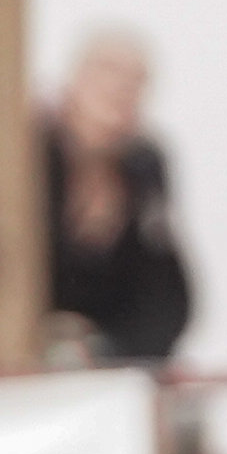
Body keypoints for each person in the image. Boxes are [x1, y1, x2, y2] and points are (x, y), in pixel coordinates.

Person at [41, 29, 194, 365]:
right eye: (108, 70)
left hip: (111, 361)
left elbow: (165, 289)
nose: (123, 87)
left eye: (138, 79)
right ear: (74, 79)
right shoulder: (29, 153)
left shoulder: (143, 167)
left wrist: (116, 351)